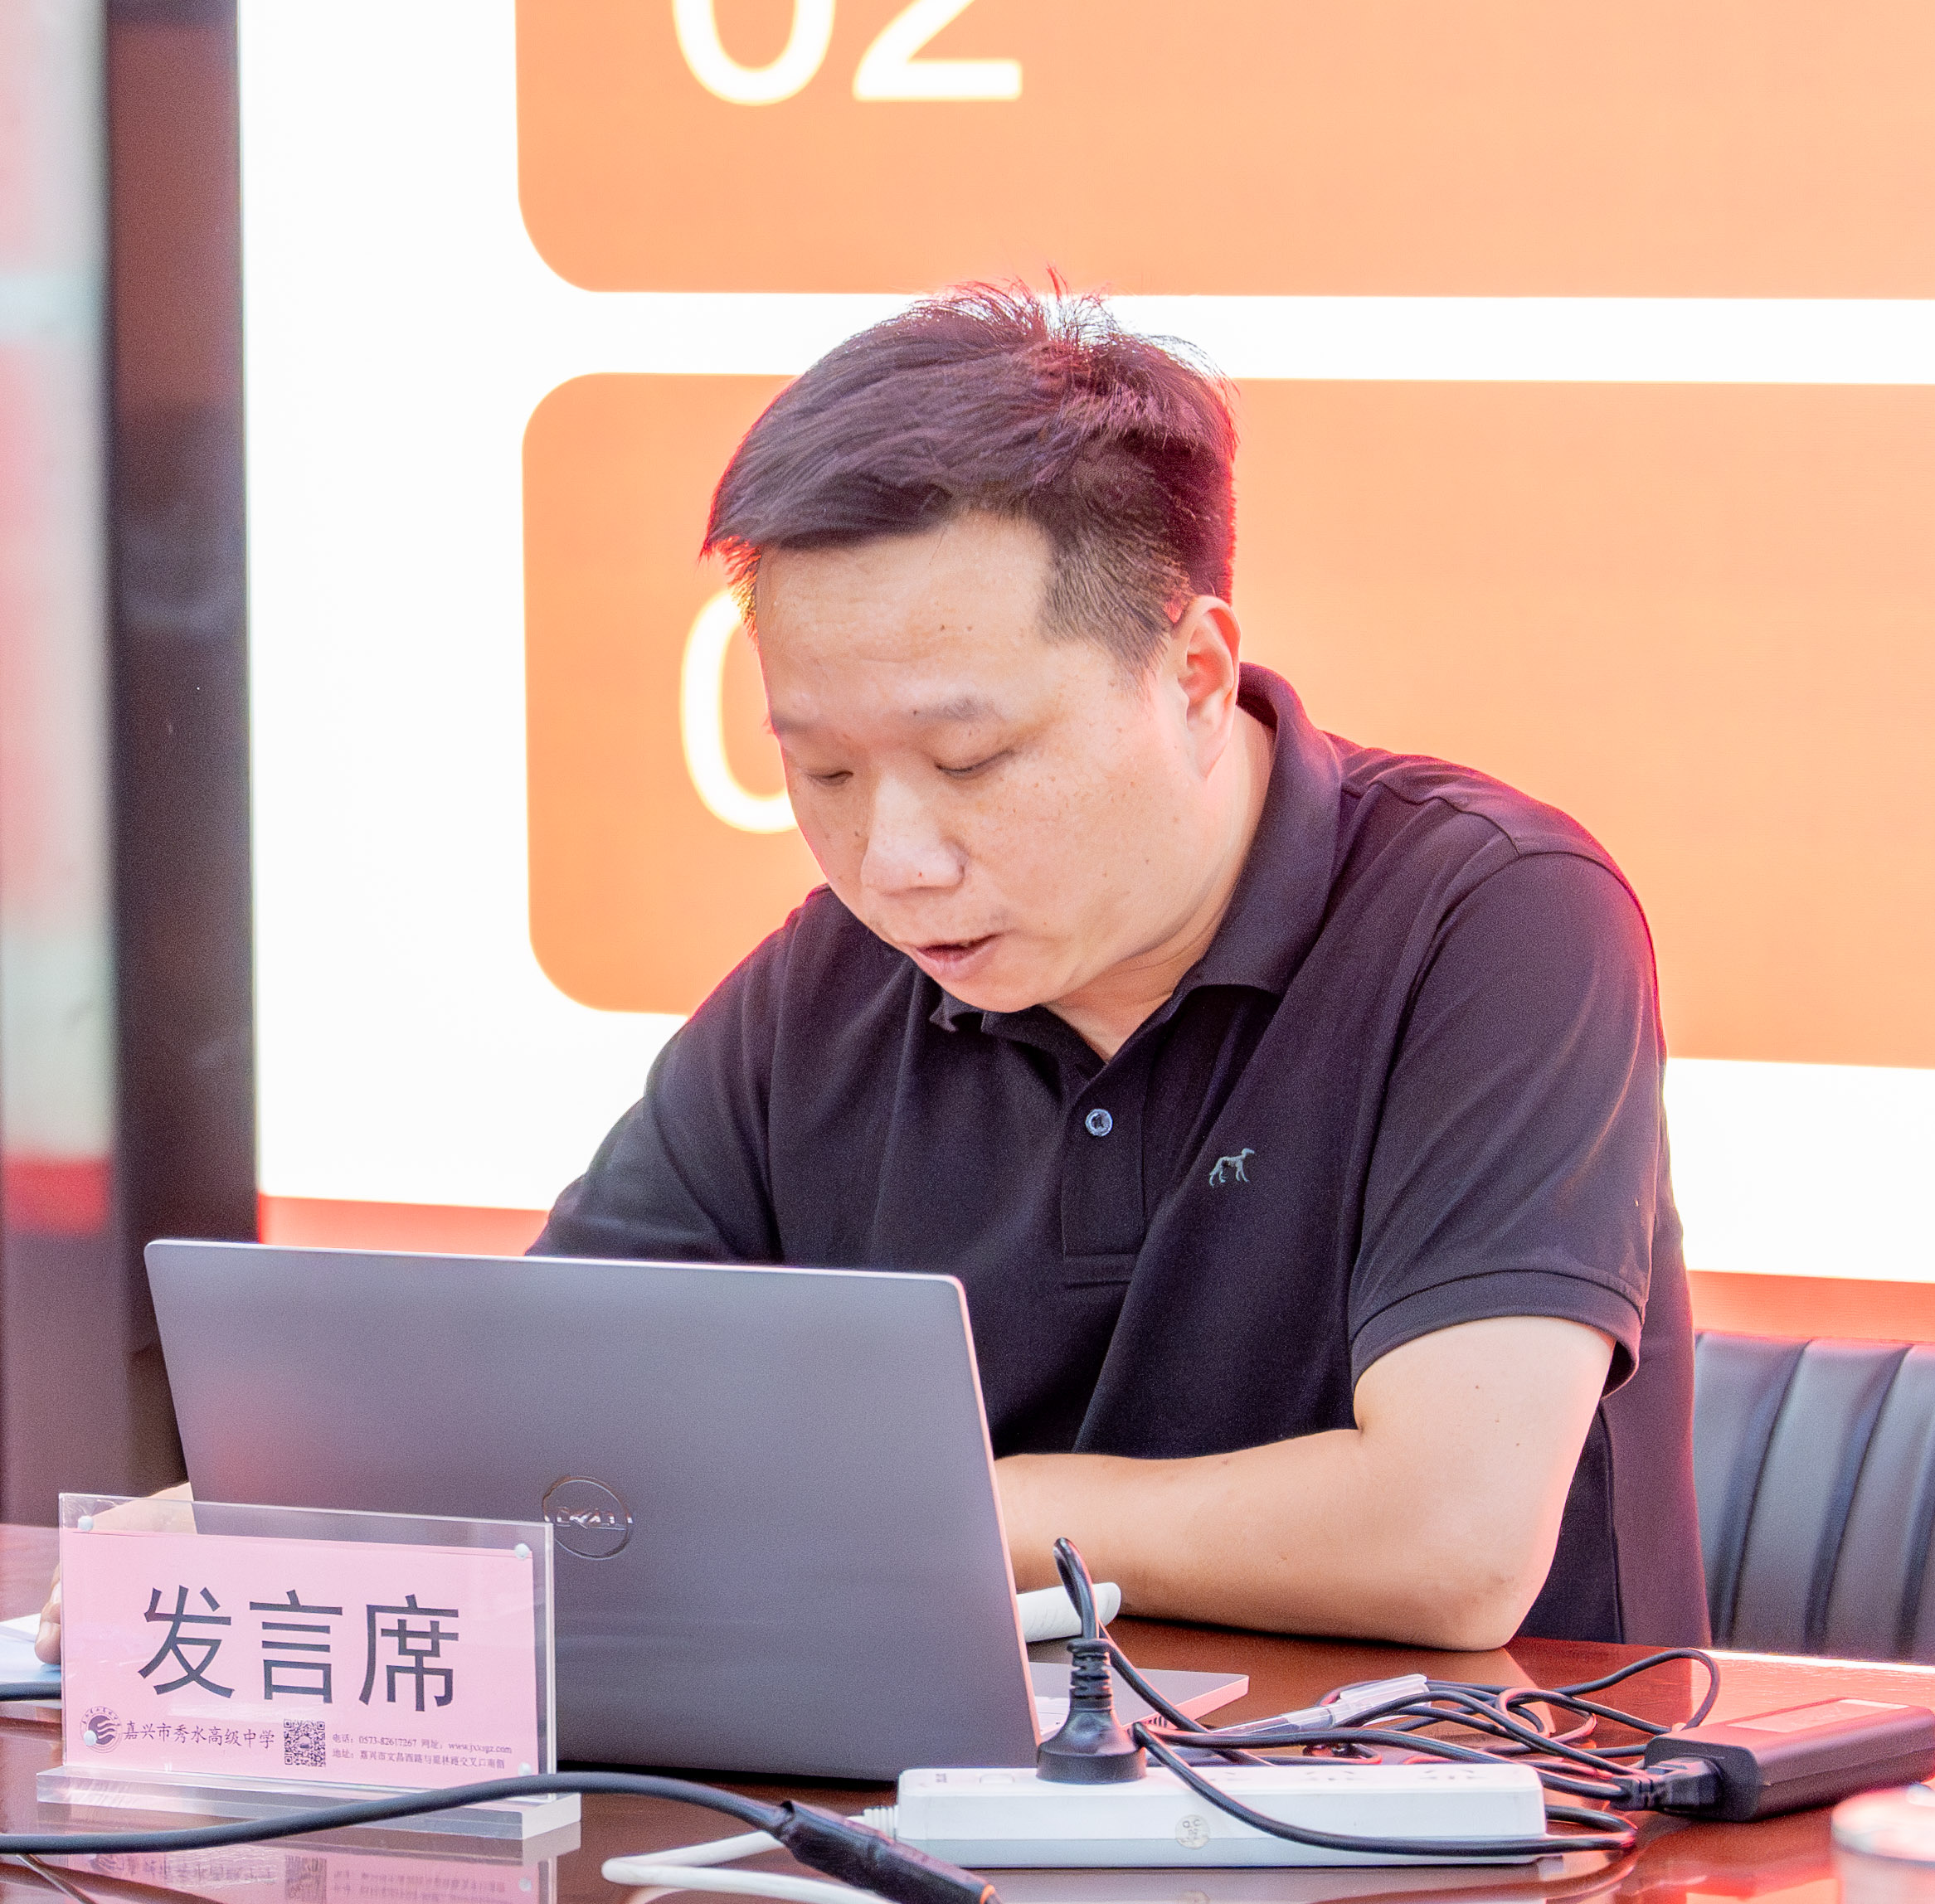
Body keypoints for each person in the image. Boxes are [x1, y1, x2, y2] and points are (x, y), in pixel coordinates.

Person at [529, 285, 1704, 1651]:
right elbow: (532, 1429)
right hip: (960, 1779)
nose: (894, 862)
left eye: (970, 760)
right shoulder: (826, 986)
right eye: (825, 771)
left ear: (1194, 675)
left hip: (1460, 1779)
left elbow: (1449, 1539)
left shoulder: (1492, 915)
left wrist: (927, 1505)